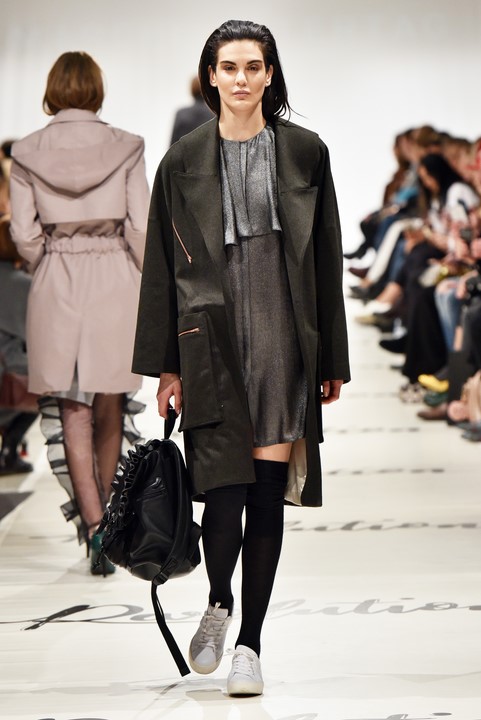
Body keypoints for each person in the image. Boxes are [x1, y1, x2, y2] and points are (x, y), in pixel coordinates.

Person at [132, 20, 350, 695]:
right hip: (209, 345)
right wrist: (166, 366)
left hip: (283, 339)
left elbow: (325, 256)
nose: (241, 79)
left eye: (253, 66)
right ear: (211, 75)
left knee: (264, 495)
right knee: (222, 498)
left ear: (270, 73)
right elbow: (161, 270)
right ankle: (219, 602)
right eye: (229, 67)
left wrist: (331, 358)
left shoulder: (305, 152)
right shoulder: (182, 160)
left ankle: (250, 645)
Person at [9, 51, 150, 573]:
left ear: (52, 91)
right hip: (114, 275)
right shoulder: (127, 146)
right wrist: (142, 276)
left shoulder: (27, 151)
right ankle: (108, 523)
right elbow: (141, 226)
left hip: (58, 276)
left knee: (73, 406)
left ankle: (94, 528)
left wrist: (50, 259)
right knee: (111, 400)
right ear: (96, 90)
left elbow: (23, 234)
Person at [0, 217, 38, 475]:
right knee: (48, 392)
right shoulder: (23, 285)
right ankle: (10, 450)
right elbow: (34, 334)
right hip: (9, 369)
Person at [170, 75, 214, 145]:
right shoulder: (214, 114)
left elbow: (173, 145)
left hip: (185, 151)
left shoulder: (181, 114)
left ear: (192, 90)